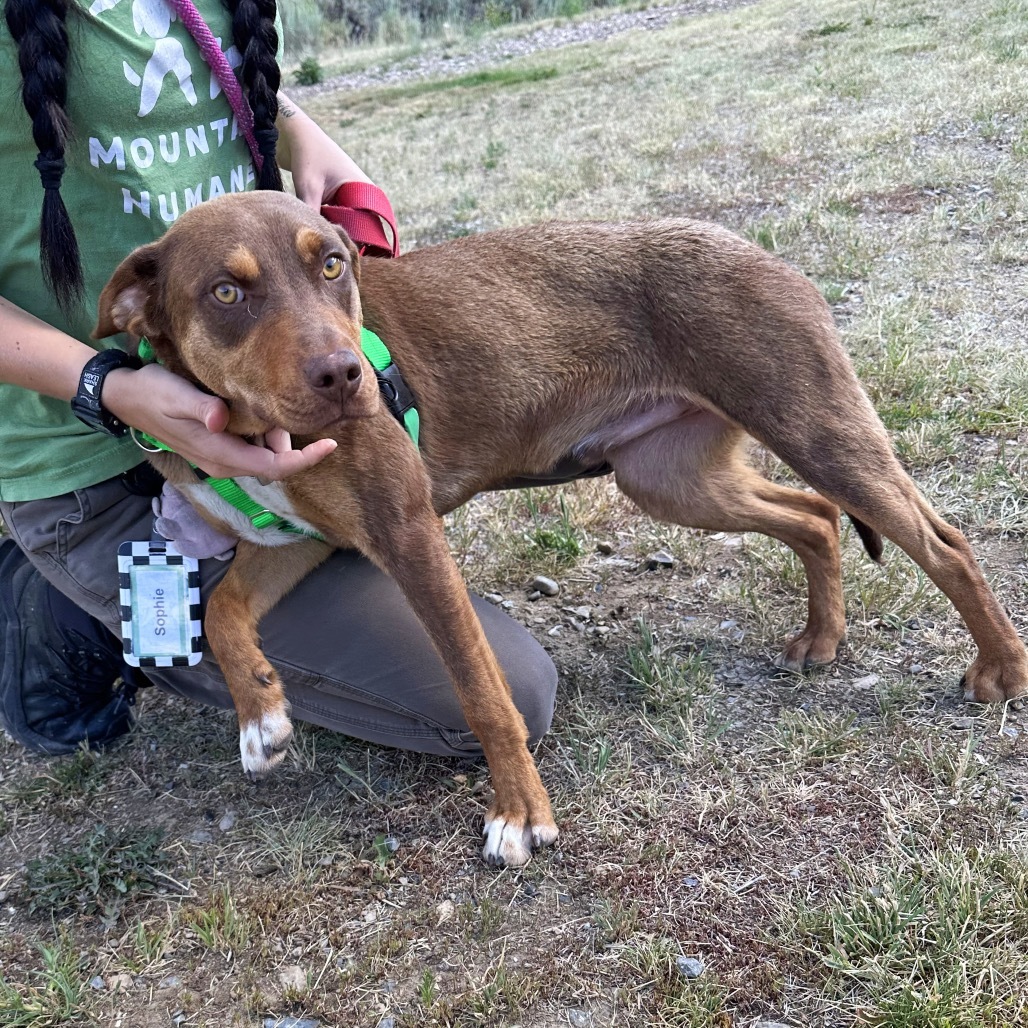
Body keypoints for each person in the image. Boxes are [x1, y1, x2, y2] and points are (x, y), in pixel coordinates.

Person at [0, 0, 556, 758]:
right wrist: (108, 386)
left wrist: (295, 127)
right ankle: (62, 606)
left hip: (266, 399)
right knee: (499, 698)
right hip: (94, 467)